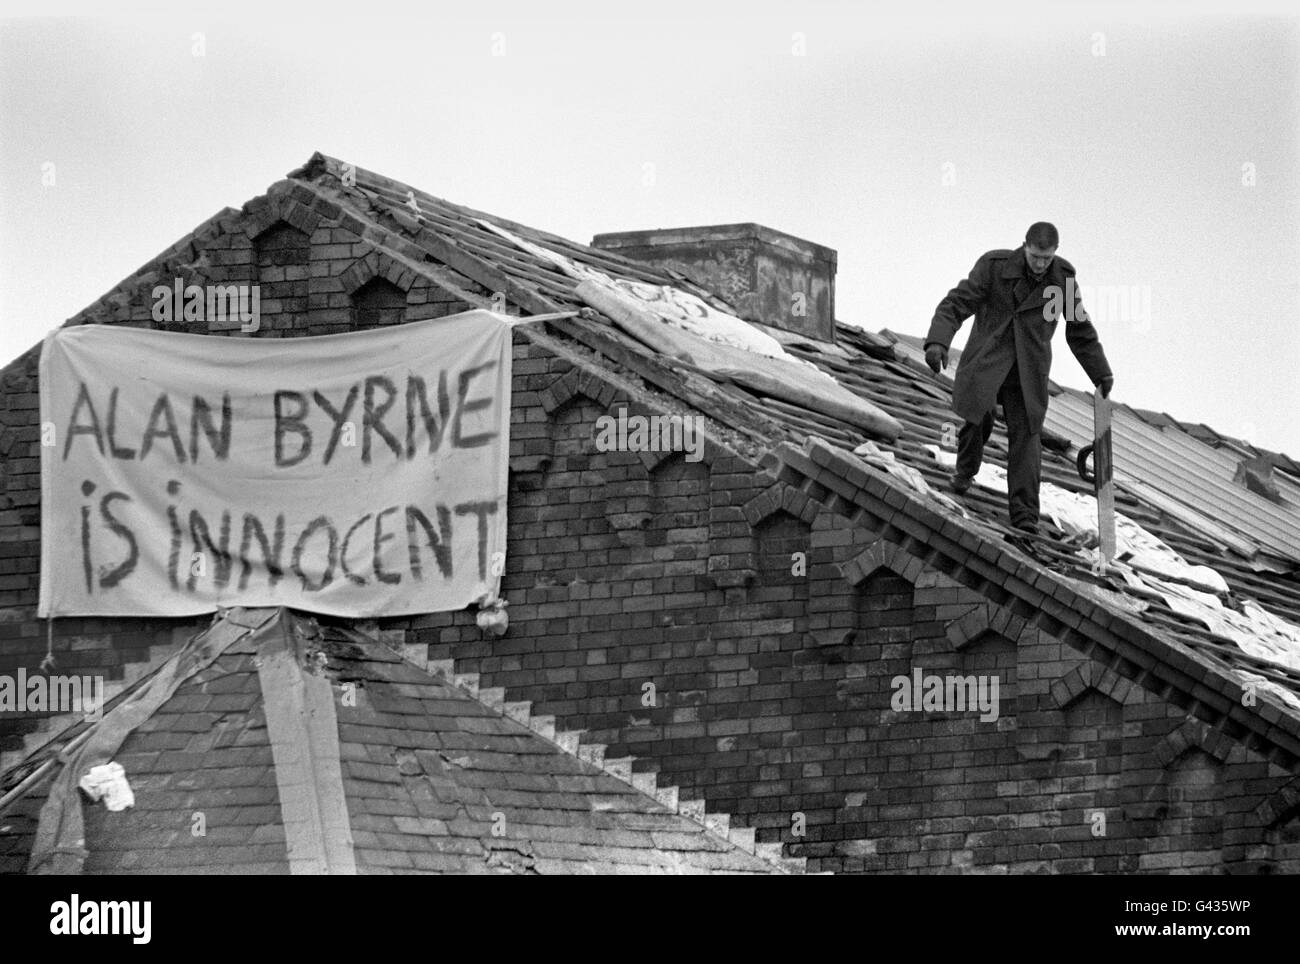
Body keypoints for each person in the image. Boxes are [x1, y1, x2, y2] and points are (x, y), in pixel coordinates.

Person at [924, 222, 1114, 535]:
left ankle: (1025, 514)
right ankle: (965, 471)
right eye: (1036, 256)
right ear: (1024, 247)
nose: (1040, 263)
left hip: (1028, 370)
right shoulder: (994, 267)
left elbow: (1079, 331)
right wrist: (937, 341)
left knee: (1028, 436)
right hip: (989, 360)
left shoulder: (1062, 281)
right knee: (978, 416)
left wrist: (1100, 372)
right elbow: (956, 303)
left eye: (1047, 258)